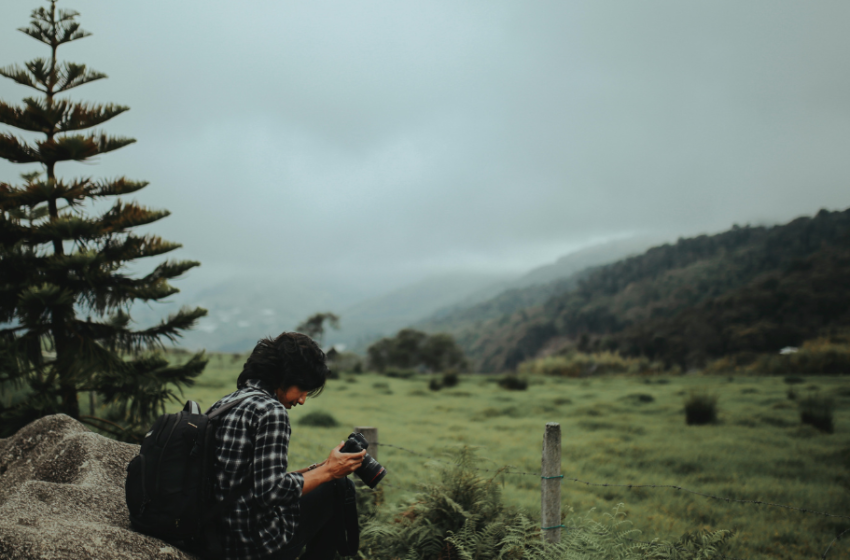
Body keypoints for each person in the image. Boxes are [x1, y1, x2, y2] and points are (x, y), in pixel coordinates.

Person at [207, 332, 366, 560]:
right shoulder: (272, 411)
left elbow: (249, 480)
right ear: (284, 376)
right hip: (253, 545)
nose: (302, 399)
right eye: (303, 388)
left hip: (218, 535)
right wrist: (330, 472)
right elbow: (271, 493)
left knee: (329, 478)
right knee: (339, 488)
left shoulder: (226, 402)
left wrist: (320, 469)